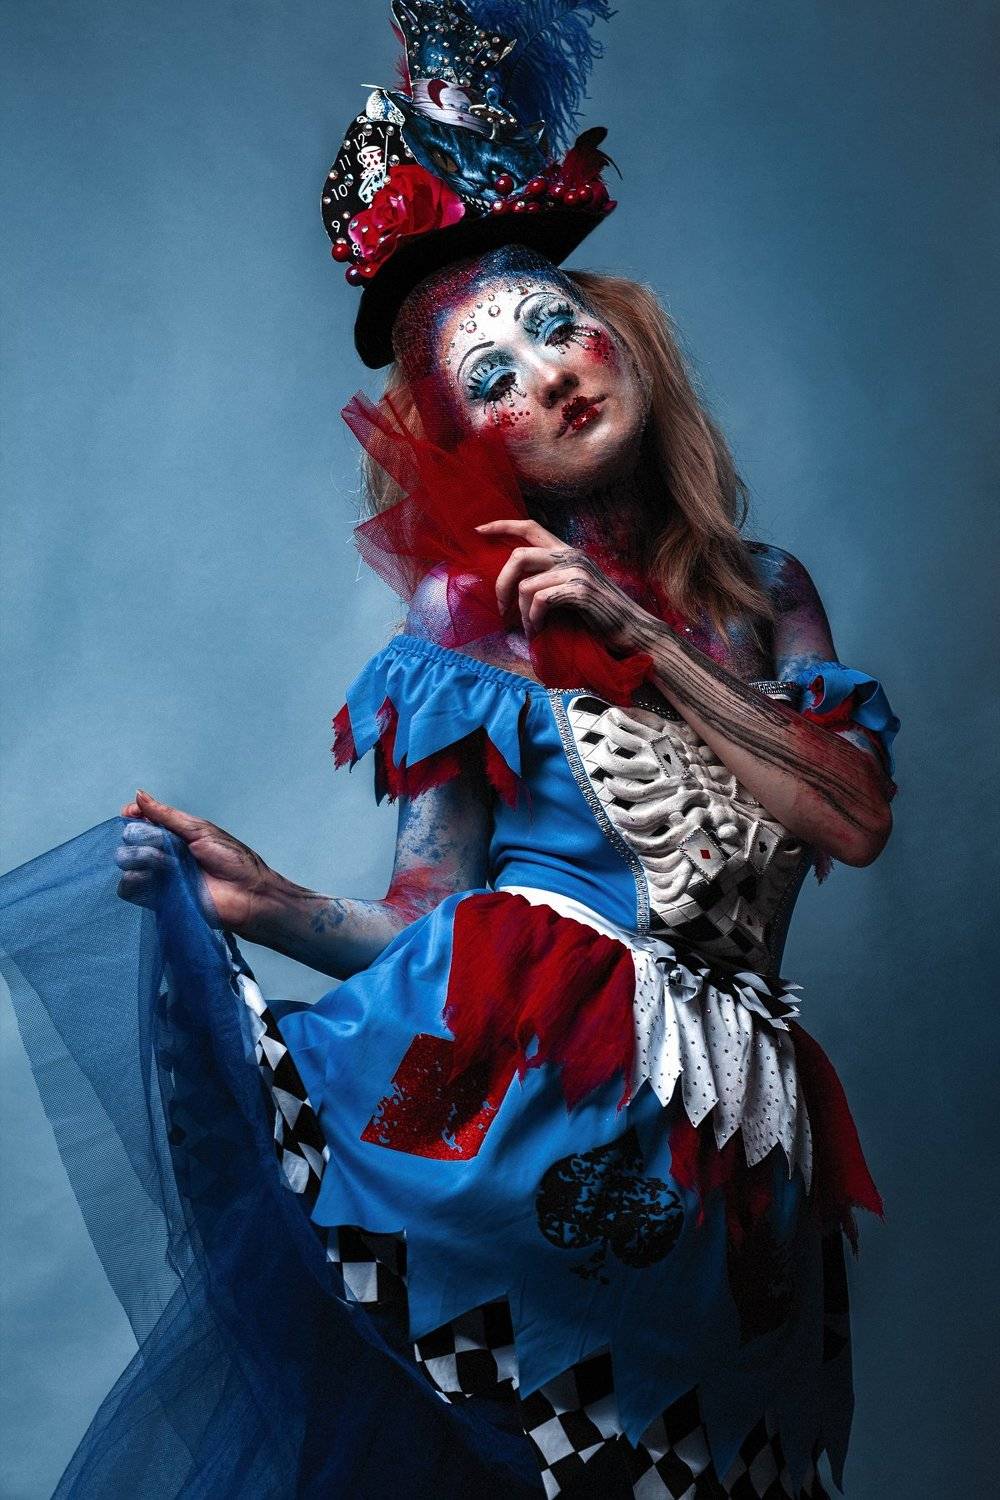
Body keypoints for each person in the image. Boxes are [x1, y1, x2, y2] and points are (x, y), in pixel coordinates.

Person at [1, 3, 899, 1497]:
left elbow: (851, 818)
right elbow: (432, 920)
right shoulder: (466, 628)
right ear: (467, 443)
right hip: (535, 1101)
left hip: (739, 1153)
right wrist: (274, 903)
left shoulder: (768, 593)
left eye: (552, 324)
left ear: (623, 332)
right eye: (489, 381)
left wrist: (644, 633)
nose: (543, 375)